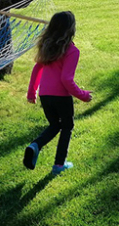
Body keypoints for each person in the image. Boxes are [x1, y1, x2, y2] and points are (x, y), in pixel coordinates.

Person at [24, 11, 92, 175]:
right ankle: (59, 165)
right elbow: (66, 79)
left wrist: (32, 93)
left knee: (55, 125)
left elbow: (37, 68)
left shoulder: (47, 47)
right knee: (67, 127)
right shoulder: (71, 51)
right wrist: (82, 95)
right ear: (71, 29)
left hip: (45, 96)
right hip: (61, 97)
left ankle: (35, 146)